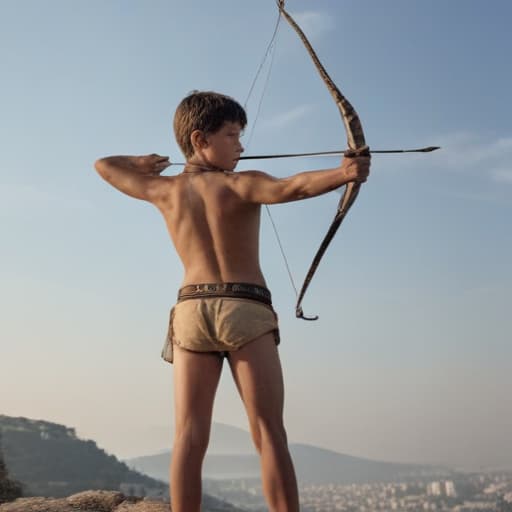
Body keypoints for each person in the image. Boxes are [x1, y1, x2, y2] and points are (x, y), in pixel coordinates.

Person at [94, 90, 370, 512]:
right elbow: (293, 187)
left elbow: (104, 166)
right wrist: (344, 173)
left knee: (188, 433)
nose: (241, 145)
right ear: (200, 138)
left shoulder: (162, 189)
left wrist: (139, 161)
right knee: (267, 431)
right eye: (233, 135)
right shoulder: (240, 183)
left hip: (190, 312)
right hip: (243, 308)